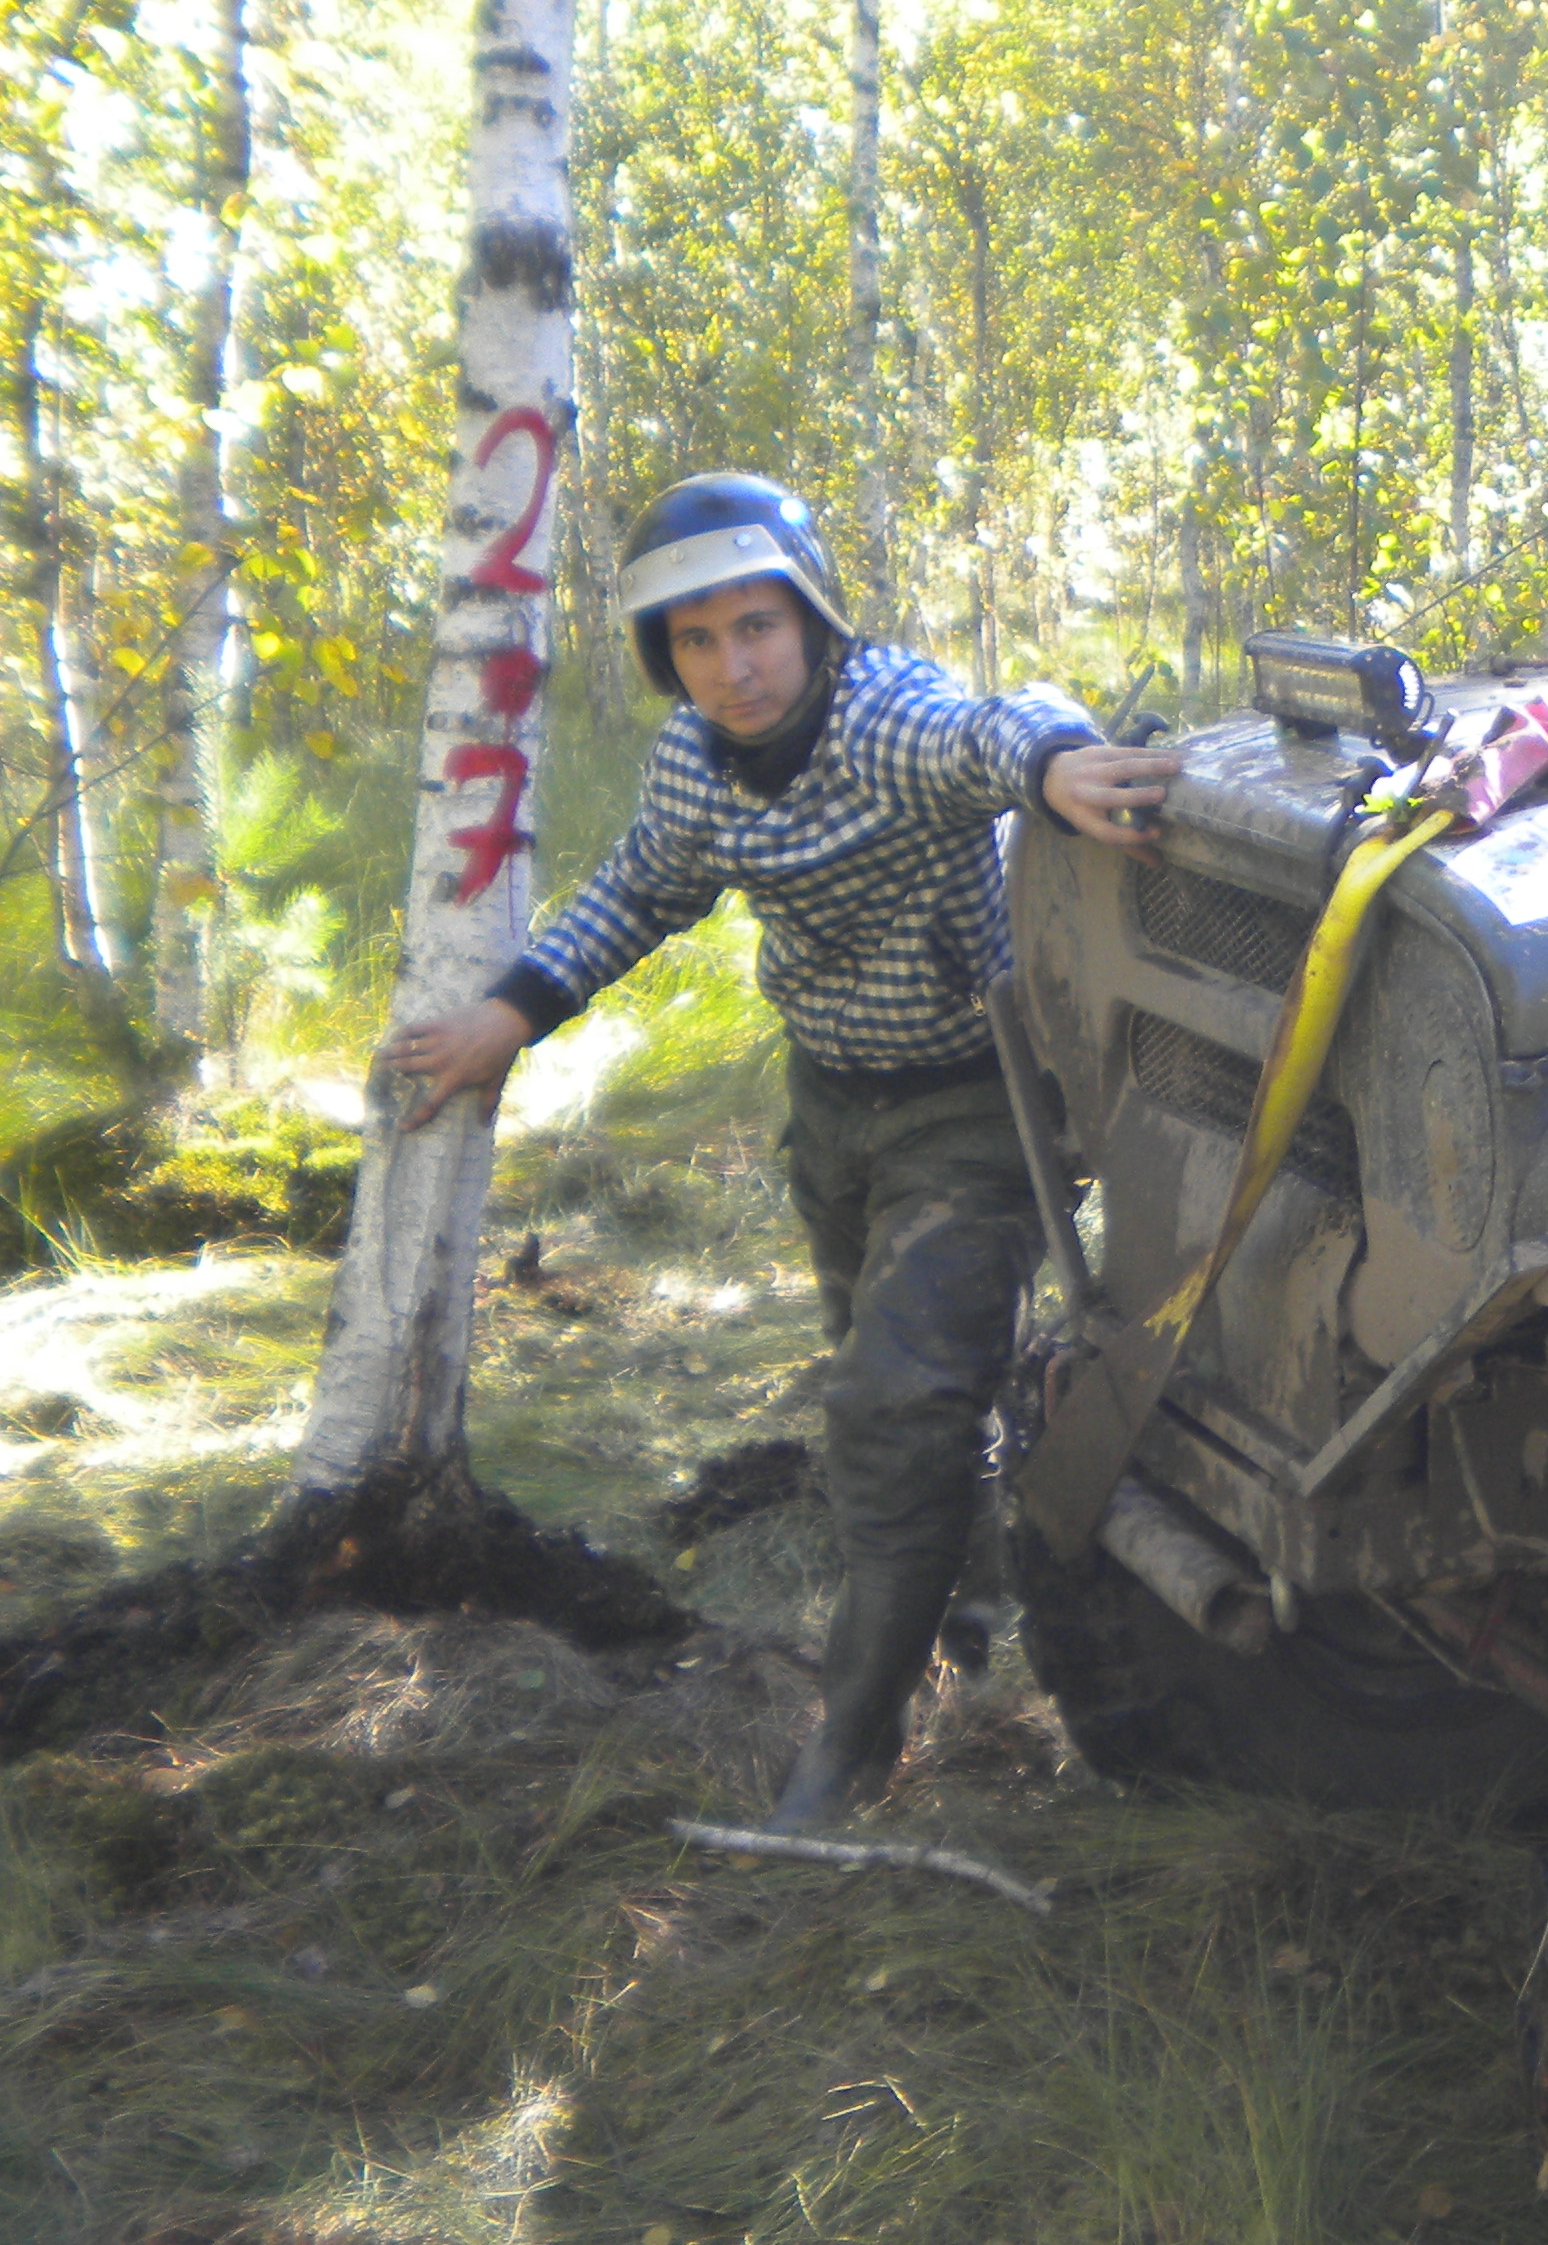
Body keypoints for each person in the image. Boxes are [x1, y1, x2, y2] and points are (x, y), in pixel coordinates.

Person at [380, 472, 1184, 1830]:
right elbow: (643, 886)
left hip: (978, 1103)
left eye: (757, 626)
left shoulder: (882, 716)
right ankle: (972, 1614)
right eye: (695, 641)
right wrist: (508, 1019)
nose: (733, 667)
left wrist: (1056, 765)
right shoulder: (696, 763)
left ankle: (853, 1746)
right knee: (908, 1396)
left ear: (811, 617)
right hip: (836, 1110)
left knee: (892, 1404)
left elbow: (992, 730)